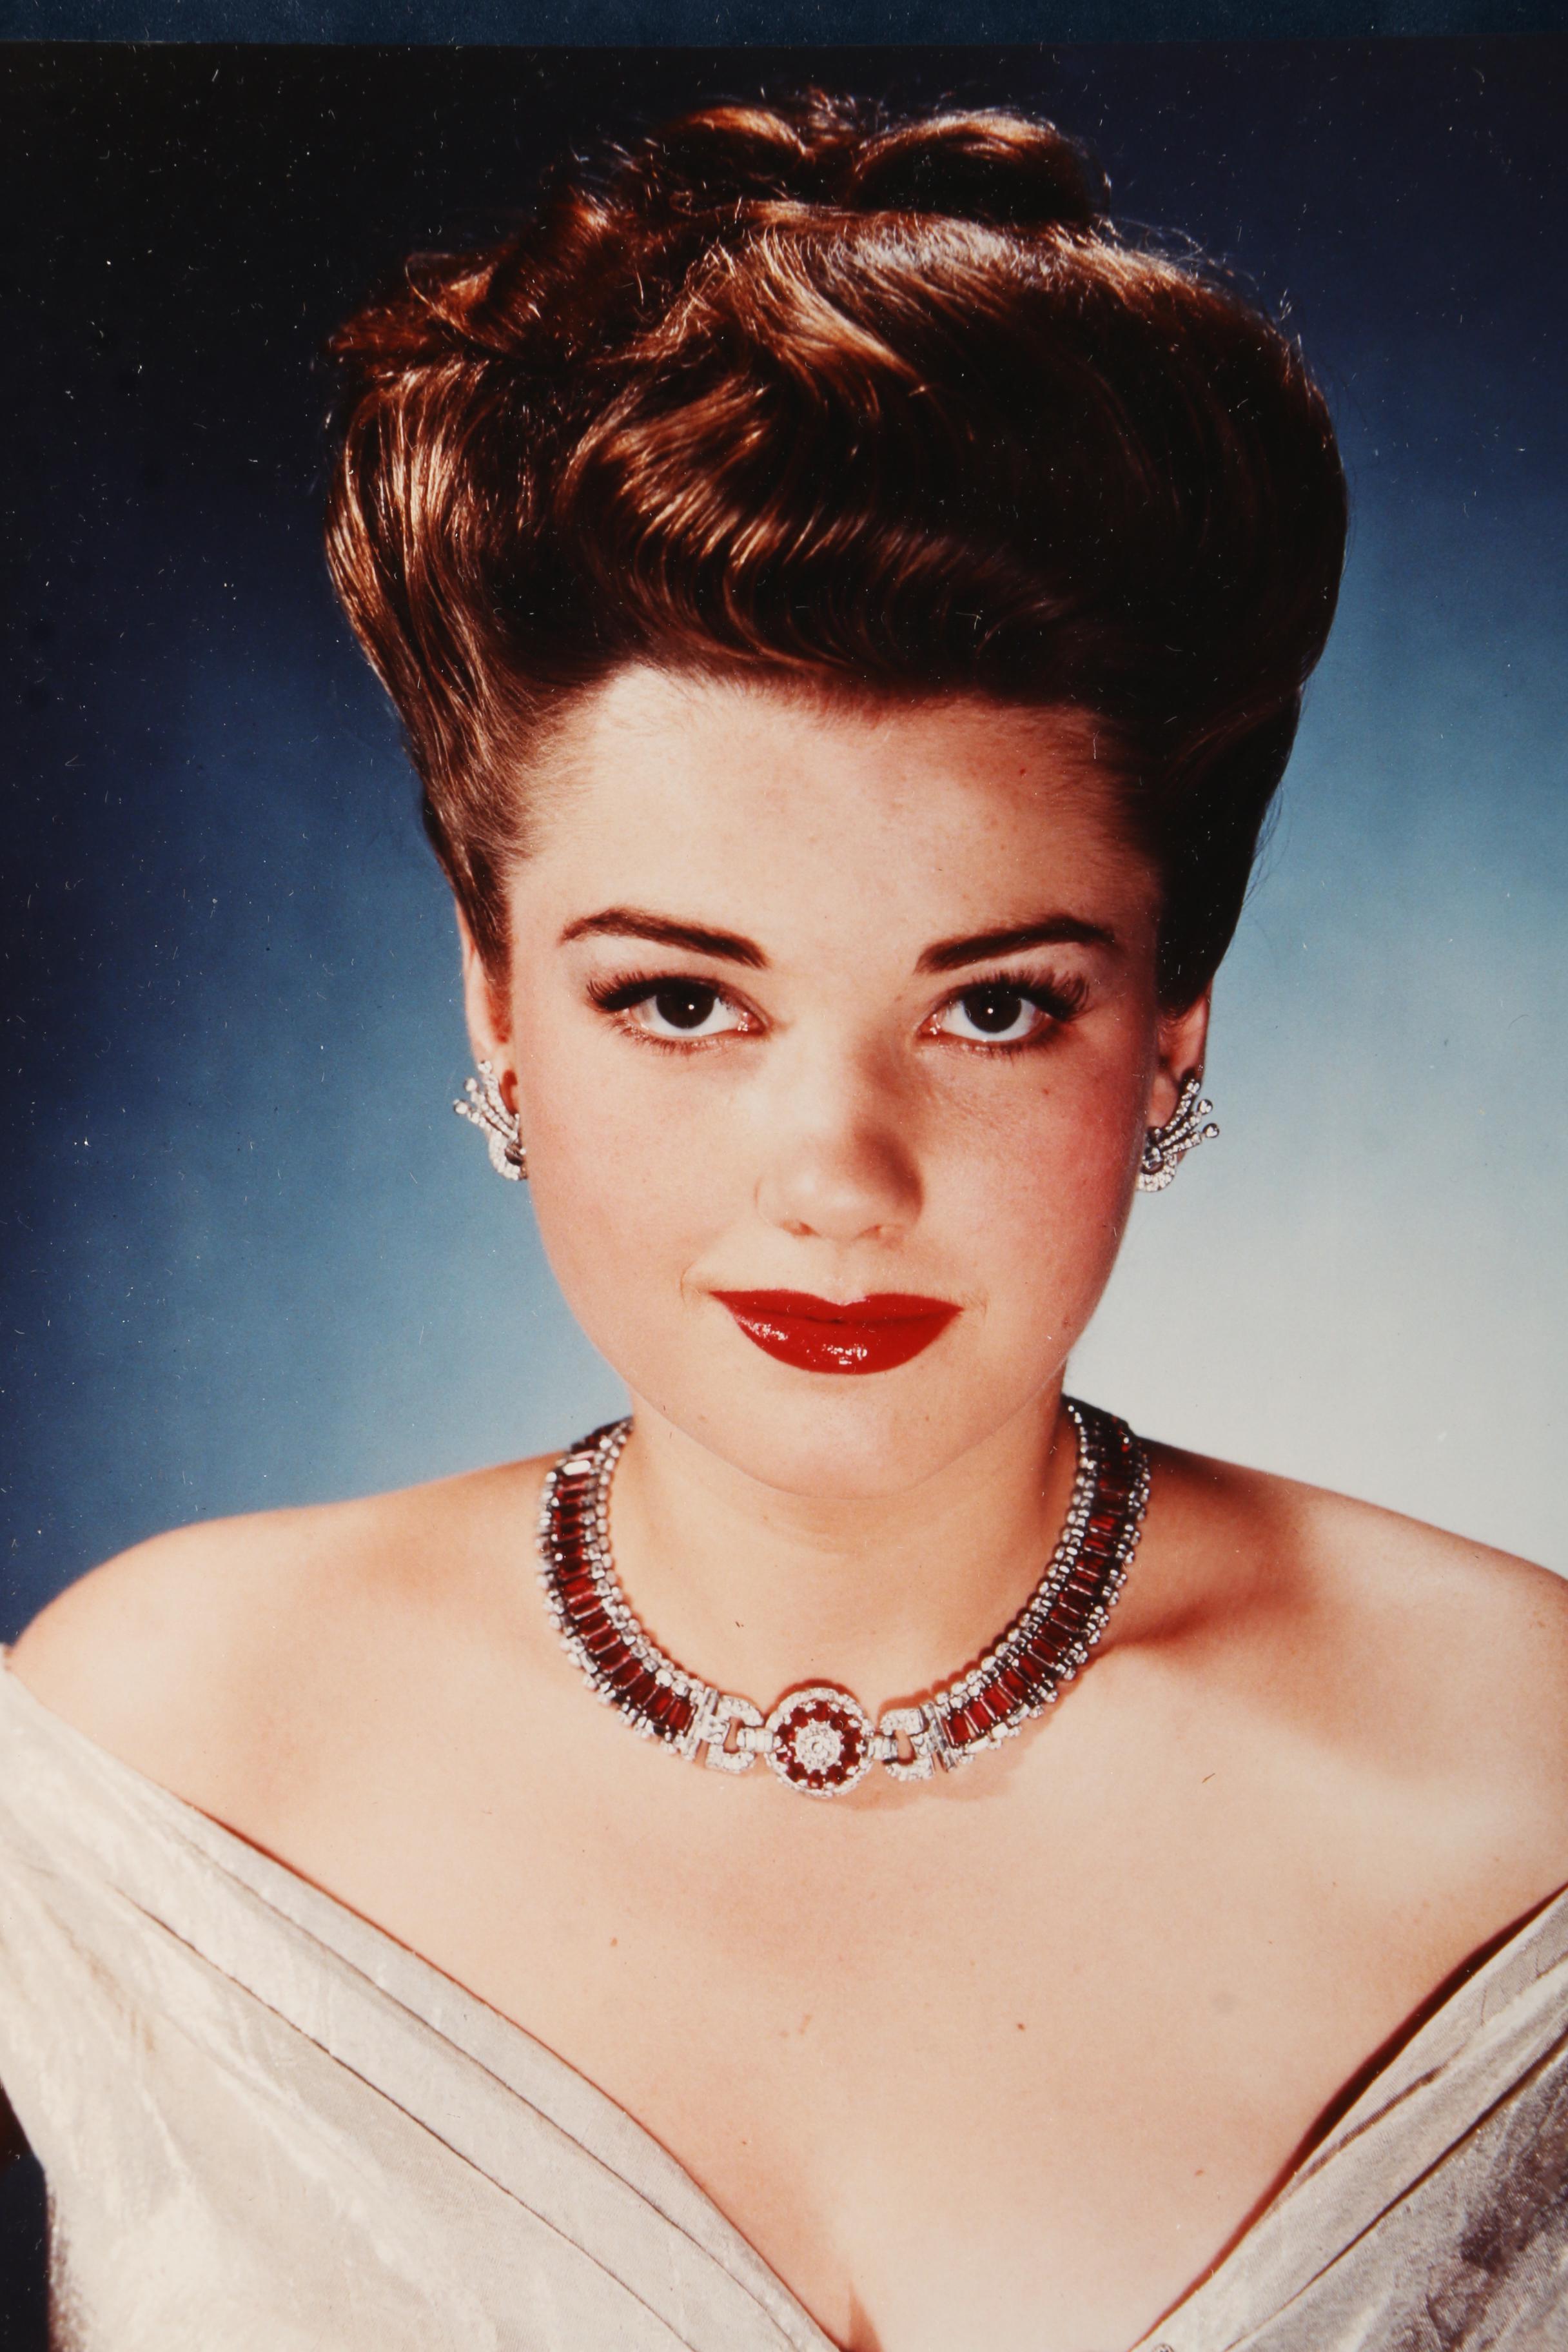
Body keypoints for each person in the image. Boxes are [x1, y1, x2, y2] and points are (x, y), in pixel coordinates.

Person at [1, 89, 1564, 2352]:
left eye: (999, 1003)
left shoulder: (1522, 1781)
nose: (840, 1175)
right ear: (498, 1004)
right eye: (681, 998)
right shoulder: (150, 1763)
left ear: (1177, 1028)